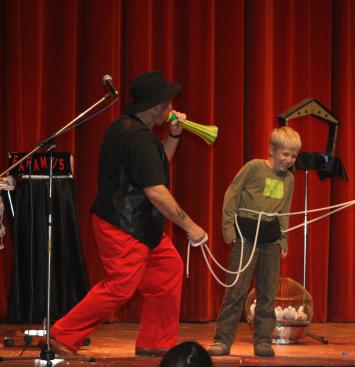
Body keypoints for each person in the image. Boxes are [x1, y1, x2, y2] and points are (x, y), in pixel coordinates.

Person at [48, 71, 206, 357]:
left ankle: (156, 340)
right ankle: (62, 334)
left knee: (168, 269)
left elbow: (156, 165)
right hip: (123, 225)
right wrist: (191, 227)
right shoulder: (139, 138)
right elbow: (156, 191)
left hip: (141, 225)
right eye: (168, 104)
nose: (171, 109)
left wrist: (174, 135)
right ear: (157, 106)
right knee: (121, 286)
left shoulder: (127, 129)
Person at [206, 126, 301, 357]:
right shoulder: (254, 168)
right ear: (272, 150)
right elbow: (232, 194)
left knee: (267, 292)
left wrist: (284, 239)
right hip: (247, 237)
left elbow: (284, 211)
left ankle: (263, 341)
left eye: (294, 155)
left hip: (270, 240)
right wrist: (228, 227)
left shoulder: (289, 179)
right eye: (285, 154)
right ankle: (222, 340)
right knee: (236, 290)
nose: (289, 160)